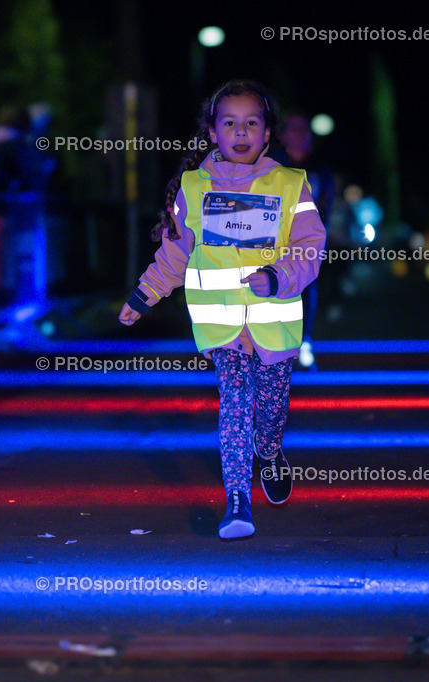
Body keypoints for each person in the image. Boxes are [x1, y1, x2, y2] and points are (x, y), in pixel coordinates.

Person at [118, 80, 326, 539]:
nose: (241, 131)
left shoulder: (291, 185)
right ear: (212, 132)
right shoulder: (194, 188)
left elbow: (311, 247)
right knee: (235, 401)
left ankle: (269, 452)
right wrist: (143, 296)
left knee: (269, 412)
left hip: (275, 326)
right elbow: (175, 252)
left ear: (267, 134)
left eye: (252, 122)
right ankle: (237, 502)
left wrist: (276, 277)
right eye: (229, 123)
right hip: (222, 326)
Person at [279, 111, 335, 369]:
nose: (299, 134)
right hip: (276, 240)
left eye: (304, 129)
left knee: (307, 288)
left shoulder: (319, 165)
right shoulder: (274, 163)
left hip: (308, 239)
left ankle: (304, 342)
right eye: (294, 128)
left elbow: (327, 201)